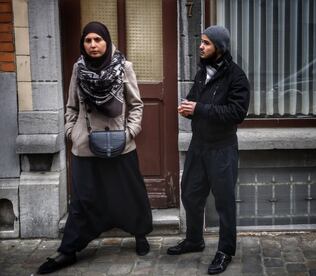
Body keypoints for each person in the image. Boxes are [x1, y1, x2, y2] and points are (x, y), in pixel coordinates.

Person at [37, 21, 153, 274]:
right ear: (83, 44)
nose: (93, 45)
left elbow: (136, 105)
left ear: (107, 41)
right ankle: (68, 250)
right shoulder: (78, 69)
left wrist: (129, 133)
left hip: (119, 144)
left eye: (97, 40)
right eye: (88, 41)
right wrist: (72, 133)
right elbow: (71, 107)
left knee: (129, 192)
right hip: (85, 146)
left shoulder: (124, 68)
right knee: (83, 199)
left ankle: (140, 234)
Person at [167, 25, 250, 274]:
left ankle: (225, 251)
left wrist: (199, 109)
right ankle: (194, 240)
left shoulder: (237, 77)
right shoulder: (203, 71)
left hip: (222, 149)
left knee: (224, 203)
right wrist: (187, 107)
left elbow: (237, 113)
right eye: (201, 42)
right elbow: (195, 97)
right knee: (190, 194)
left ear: (219, 48)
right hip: (198, 146)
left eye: (206, 43)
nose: (200, 47)